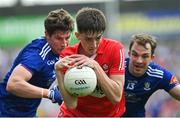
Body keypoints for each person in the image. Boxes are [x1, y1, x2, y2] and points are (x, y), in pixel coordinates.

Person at [0, 9, 74, 117]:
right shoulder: (37, 55)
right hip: (5, 111)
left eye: (67, 38)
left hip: (28, 113)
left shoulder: (60, 50)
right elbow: (13, 84)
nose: (64, 44)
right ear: (47, 35)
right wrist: (49, 93)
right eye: (59, 38)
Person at [54, 7, 125, 117]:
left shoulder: (115, 49)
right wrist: (58, 71)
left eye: (98, 38)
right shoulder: (68, 55)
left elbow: (116, 97)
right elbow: (71, 104)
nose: (94, 44)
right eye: (88, 39)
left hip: (109, 115)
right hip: (74, 115)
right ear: (78, 36)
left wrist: (95, 66)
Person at [123, 33, 180, 117]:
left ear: (152, 58)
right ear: (129, 54)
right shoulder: (118, 67)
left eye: (145, 56)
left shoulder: (158, 74)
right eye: (135, 54)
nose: (139, 61)